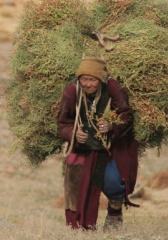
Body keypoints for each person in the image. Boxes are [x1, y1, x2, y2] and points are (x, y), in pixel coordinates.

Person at [57, 57, 139, 230]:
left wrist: (111, 126)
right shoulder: (72, 92)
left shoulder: (114, 89)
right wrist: (73, 133)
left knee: (114, 182)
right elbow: (63, 123)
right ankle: (79, 225)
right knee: (75, 181)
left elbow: (126, 116)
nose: (87, 84)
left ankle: (114, 213)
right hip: (82, 148)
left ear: (101, 80)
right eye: (83, 79)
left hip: (108, 148)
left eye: (92, 80)